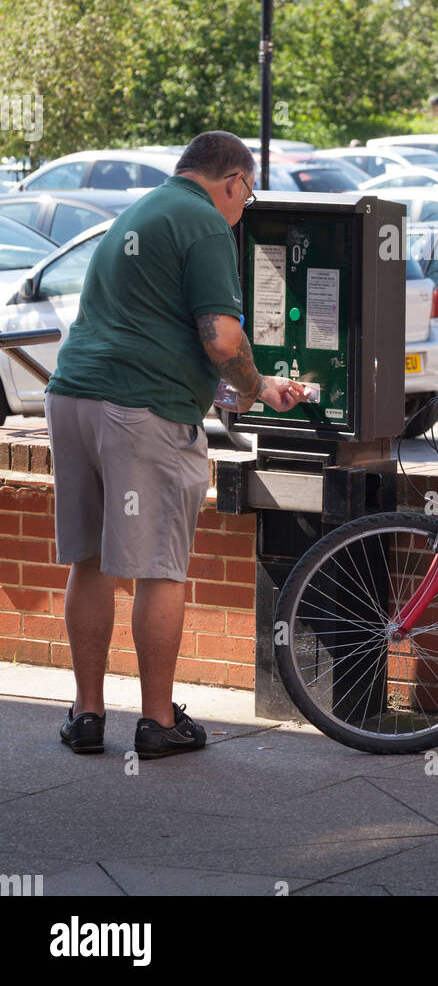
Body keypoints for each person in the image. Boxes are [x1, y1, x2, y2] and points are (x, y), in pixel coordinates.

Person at [45, 130, 309, 758]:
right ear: (234, 181)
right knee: (160, 567)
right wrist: (247, 388)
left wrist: (259, 387)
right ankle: (159, 722)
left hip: (73, 395)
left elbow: (158, 329)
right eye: (248, 195)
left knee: (90, 560)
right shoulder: (206, 224)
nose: (244, 209)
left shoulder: (139, 211)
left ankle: (86, 715)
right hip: (141, 412)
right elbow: (220, 339)